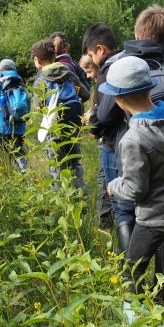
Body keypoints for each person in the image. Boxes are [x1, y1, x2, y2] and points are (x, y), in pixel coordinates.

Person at [102, 57, 164, 312]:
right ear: (150, 88)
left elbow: (135, 189)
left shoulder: (133, 139)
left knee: (133, 269)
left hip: (152, 219)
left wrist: (114, 186)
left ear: (120, 100)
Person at [82, 23, 129, 244]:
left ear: (100, 49)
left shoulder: (108, 70)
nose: (92, 59)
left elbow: (105, 113)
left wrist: (93, 123)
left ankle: (127, 260)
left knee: (119, 204)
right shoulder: (128, 61)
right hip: (129, 140)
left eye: (91, 54)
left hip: (113, 144)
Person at [33, 39, 88, 190]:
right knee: (75, 162)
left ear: (37, 60)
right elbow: (86, 93)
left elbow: (39, 108)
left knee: (57, 164)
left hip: (54, 128)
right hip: (73, 125)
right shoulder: (67, 72)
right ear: (55, 55)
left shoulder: (41, 80)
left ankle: (62, 200)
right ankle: (81, 196)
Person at [0, 59, 29, 172]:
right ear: (14, 69)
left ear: (0, 70)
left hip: (1, 125)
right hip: (19, 125)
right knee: (19, 151)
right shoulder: (20, 81)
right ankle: (22, 173)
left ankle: (8, 174)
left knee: (3, 153)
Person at [50, 31, 91, 100]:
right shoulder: (74, 65)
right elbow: (86, 90)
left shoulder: (45, 66)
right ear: (68, 47)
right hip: (74, 107)